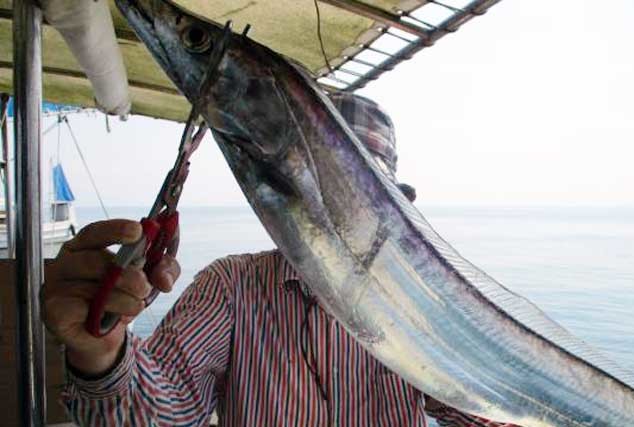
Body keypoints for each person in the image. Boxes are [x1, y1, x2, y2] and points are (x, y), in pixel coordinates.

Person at [42, 93, 521, 427]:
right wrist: (100, 353)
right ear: (287, 193)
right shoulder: (231, 286)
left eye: (359, 196)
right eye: (323, 191)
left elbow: (491, 413)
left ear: (390, 213)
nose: (338, 211)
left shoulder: (423, 304)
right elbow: (160, 415)